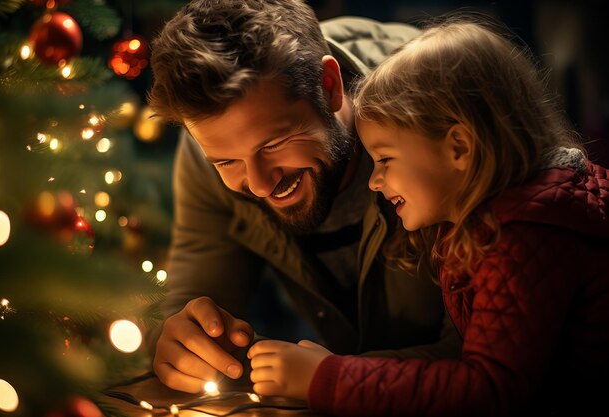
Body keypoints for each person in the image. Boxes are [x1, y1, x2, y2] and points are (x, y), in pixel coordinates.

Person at [247, 16, 609, 416]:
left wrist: (330, 378)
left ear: (458, 147)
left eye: (385, 159)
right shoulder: (495, 223)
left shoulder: (526, 234)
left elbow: (491, 390)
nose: (375, 181)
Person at [147, 0, 461, 394]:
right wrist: (182, 340)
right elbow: (194, 301)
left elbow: (492, 361)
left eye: (274, 143)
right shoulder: (207, 147)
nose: (259, 185)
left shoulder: (444, 110)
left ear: (328, 86)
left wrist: (334, 379)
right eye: (227, 161)